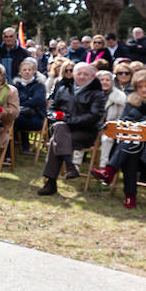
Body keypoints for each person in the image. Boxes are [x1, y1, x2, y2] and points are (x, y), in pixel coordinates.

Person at [93, 70, 146, 209]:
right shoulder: (132, 102)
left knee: (132, 143)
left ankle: (110, 173)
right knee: (132, 145)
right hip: (133, 146)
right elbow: (123, 121)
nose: (143, 90)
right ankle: (129, 196)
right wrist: (137, 122)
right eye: (140, 87)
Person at [37, 62, 106, 195]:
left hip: (83, 133)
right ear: (73, 75)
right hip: (61, 129)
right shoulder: (64, 88)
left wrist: (69, 121)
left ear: (92, 76)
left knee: (55, 141)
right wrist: (57, 116)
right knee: (59, 127)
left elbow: (94, 116)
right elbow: (51, 109)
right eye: (78, 73)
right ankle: (69, 165)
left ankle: (51, 183)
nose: (81, 77)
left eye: (86, 74)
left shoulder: (97, 93)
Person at [13, 58, 47, 154]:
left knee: (15, 118)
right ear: (20, 72)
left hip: (36, 118)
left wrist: (21, 102)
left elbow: (37, 101)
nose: (27, 72)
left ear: (34, 71)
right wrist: (28, 100)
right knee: (10, 117)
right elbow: (13, 100)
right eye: (24, 70)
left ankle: (15, 145)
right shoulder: (16, 85)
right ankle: (16, 144)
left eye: (29, 70)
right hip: (20, 115)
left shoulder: (39, 86)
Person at [95, 69, 129, 164]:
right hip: (93, 125)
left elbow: (121, 116)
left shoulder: (119, 97)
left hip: (110, 127)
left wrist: (108, 126)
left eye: (107, 80)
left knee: (107, 138)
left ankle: (103, 166)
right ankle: (75, 166)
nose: (104, 82)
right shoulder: (92, 94)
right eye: (102, 80)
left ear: (112, 82)